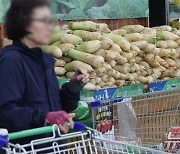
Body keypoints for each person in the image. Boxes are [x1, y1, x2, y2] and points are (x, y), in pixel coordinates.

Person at [0, 0, 89, 146]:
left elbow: (56, 108)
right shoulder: (11, 61)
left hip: (53, 145)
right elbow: (5, 113)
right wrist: (45, 117)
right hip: (25, 148)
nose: (49, 26)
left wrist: (72, 88)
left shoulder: (45, 59)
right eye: (43, 20)